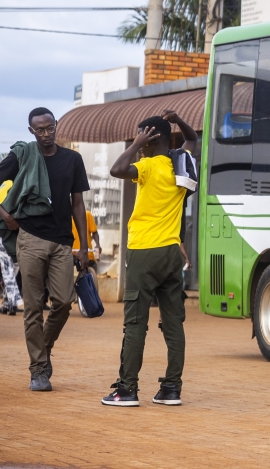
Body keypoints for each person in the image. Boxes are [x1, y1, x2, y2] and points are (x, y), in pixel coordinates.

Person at [101, 110, 197, 407]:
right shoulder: (182, 163)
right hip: (171, 253)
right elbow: (192, 138)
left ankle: (126, 390)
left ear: (150, 138)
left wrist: (135, 143)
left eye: (142, 136)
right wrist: (178, 120)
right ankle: (171, 389)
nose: (140, 143)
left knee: (135, 324)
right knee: (173, 324)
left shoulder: (148, 165)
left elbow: (117, 169)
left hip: (144, 252)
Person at [0, 108, 90, 392]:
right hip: (30, 237)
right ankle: (38, 370)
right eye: (40, 129)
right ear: (31, 131)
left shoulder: (72, 159)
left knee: (64, 302)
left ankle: (44, 347)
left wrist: (84, 247)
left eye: (50, 127)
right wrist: (5, 214)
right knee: (34, 307)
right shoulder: (23, 155)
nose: (46, 133)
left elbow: (77, 204)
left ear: (55, 126)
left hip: (63, 240)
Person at [0, 179, 22, 315]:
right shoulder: (16, 184)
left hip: (8, 229)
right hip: (8, 228)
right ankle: (9, 301)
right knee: (13, 265)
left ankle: (8, 302)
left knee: (10, 267)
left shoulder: (6, 183)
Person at [71, 209, 100, 273]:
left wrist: (97, 245)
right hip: (71, 256)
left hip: (87, 255)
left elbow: (94, 232)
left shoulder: (87, 214)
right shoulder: (65, 218)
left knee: (91, 276)